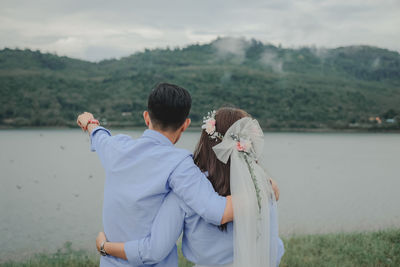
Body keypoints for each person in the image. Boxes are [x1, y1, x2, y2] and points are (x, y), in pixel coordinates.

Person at [96, 107, 285, 267]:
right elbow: (274, 250)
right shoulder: (262, 188)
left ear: (207, 138)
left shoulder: (185, 192)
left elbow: (154, 250)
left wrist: (105, 247)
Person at [76, 83, 234, 267]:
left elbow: (98, 135)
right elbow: (217, 211)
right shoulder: (180, 164)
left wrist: (89, 122)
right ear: (185, 125)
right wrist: (260, 187)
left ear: (146, 117)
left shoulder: (116, 147)